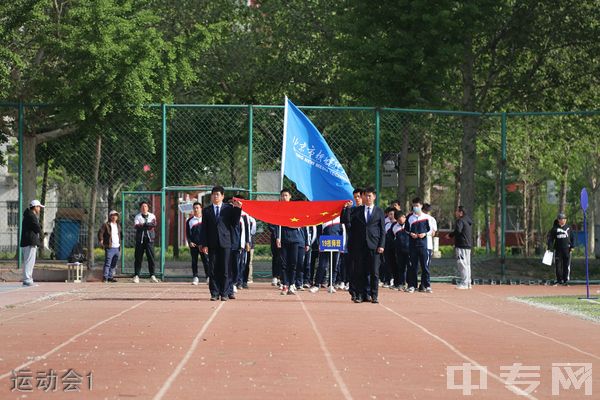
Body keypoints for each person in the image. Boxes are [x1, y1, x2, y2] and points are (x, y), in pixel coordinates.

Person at [342, 187, 385, 303]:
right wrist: (347, 209)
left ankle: (374, 295)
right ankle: (360, 295)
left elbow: (382, 230)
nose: (368, 198)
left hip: (374, 246)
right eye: (366, 195)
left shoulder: (379, 211)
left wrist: (381, 245)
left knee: (374, 272)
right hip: (360, 246)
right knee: (360, 271)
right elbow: (346, 221)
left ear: (374, 197)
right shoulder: (357, 210)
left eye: (370, 196)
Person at [200, 186, 243, 301]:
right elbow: (204, 228)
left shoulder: (228, 208)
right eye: (213, 194)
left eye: (218, 194)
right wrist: (204, 244)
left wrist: (238, 209)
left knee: (225, 269)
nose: (215, 196)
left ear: (222, 196)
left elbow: (234, 223)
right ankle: (214, 293)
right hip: (212, 243)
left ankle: (224, 292)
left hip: (226, 243)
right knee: (213, 269)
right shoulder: (207, 210)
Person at [275, 188, 309, 295]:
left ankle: (292, 284)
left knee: (293, 264)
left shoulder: (295, 209)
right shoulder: (279, 209)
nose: (284, 197)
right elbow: (276, 224)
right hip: (284, 238)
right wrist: (277, 237)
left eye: (286, 195)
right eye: (282, 195)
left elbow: (302, 223)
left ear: (290, 197)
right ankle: (285, 285)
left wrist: (306, 241)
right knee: (284, 263)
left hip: (295, 239)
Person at [406, 197, 431, 293]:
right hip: (413, 245)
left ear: (421, 206)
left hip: (423, 245)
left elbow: (430, 230)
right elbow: (407, 229)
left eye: (417, 205)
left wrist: (424, 234)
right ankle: (412, 285)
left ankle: (427, 285)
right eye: (414, 206)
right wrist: (411, 234)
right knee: (413, 266)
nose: (415, 207)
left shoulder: (426, 217)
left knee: (425, 266)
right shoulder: (409, 217)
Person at [133, 201, 158, 283]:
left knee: (151, 258)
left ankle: (152, 275)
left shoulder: (152, 216)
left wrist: (144, 224)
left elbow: (153, 224)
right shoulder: (137, 216)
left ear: (148, 207)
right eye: (142, 206)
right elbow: (137, 226)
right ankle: (136, 275)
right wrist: (146, 225)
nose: (144, 208)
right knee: (138, 258)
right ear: (140, 208)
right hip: (140, 240)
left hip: (149, 240)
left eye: (145, 206)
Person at [448, 206, 473, 289]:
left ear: (461, 212)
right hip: (467, 245)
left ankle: (464, 283)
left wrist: (450, 235)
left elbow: (458, 230)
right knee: (467, 264)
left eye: (457, 211)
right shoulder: (467, 220)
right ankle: (468, 282)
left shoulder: (460, 221)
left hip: (461, 245)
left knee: (462, 263)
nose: (456, 213)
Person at [20, 200, 44, 286]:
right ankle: (27, 279)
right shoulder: (31, 216)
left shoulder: (29, 215)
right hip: (29, 242)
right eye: (39, 207)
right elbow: (37, 228)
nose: (40, 209)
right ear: (35, 207)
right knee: (29, 261)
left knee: (30, 261)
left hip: (29, 241)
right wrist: (42, 235)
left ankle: (28, 279)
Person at [547, 213, 574, 286]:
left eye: (565, 219)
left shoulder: (568, 228)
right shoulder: (554, 229)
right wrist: (549, 247)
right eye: (562, 219)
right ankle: (559, 280)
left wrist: (572, 247)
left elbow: (572, 238)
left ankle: (566, 281)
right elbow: (550, 239)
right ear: (559, 220)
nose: (564, 220)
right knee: (558, 266)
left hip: (567, 250)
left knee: (566, 265)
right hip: (558, 250)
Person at [185, 202, 208, 286]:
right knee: (194, 261)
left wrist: (206, 243)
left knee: (206, 261)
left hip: (204, 245)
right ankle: (195, 277)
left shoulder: (206, 219)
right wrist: (190, 242)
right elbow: (188, 233)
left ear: (201, 208)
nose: (196, 209)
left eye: (197, 208)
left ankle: (208, 277)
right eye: (194, 208)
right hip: (194, 245)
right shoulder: (189, 221)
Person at [98, 210, 122, 283]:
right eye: (113, 215)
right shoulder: (106, 225)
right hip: (110, 247)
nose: (114, 217)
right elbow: (100, 232)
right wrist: (101, 240)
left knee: (114, 263)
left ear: (117, 217)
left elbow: (120, 234)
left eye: (116, 215)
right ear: (110, 216)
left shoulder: (118, 225)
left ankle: (110, 277)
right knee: (108, 262)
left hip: (117, 247)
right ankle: (105, 277)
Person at [392, 210, 410, 290]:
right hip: (399, 250)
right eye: (398, 220)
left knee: (410, 267)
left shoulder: (409, 225)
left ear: (404, 217)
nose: (400, 221)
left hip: (409, 249)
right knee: (401, 267)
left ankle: (411, 284)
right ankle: (401, 283)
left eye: (401, 219)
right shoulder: (395, 227)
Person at [422, 203, 438, 289]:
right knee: (425, 266)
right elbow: (433, 233)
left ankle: (424, 284)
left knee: (424, 266)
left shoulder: (431, 219)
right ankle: (424, 284)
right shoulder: (429, 219)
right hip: (424, 245)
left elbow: (433, 233)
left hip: (427, 245)